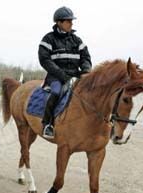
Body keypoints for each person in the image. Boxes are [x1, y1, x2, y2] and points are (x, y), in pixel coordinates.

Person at [38, 6, 92, 139]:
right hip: (56, 77)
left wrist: (86, 71)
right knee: (56, 92)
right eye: (68, 21)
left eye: (71, 21)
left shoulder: (77, 40)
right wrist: (62, 75)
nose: (71, 23)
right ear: (59, 22)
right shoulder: (48, 39)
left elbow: (86, 57)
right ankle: (47, 124)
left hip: (76, 75)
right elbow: (45, 60)